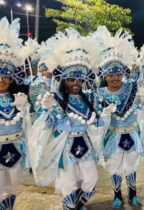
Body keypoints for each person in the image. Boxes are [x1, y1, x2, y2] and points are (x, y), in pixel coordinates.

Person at [30, 28, 115, 210]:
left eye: (79, 79)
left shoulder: (90, 98)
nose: (75, 83)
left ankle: (77, 203)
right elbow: (47, 125)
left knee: (91, 179)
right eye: (71, 79)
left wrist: (106, 114)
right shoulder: (55, 98)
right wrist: (45, 110)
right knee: (68, 184)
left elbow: (95, 122)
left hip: (85, 144)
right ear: (63, 80)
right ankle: (71, 206)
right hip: (65, 146)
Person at [92, 26, 144, 208]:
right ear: (105, 75)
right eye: (111, 74)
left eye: (118, 74)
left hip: (131, 134)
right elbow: (95, 118)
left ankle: (132, 194)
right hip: (112, 136)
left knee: (131, 166)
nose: (115, 78)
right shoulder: (98, 94)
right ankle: (117, 195)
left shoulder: (131, 88)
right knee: (114, 167)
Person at [0, 17, 32, 210]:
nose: (2, 80)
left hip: (14, 148)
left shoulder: (17, 98)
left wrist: (23, 108)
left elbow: (27, 124)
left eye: (6, 76)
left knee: (11, 188)